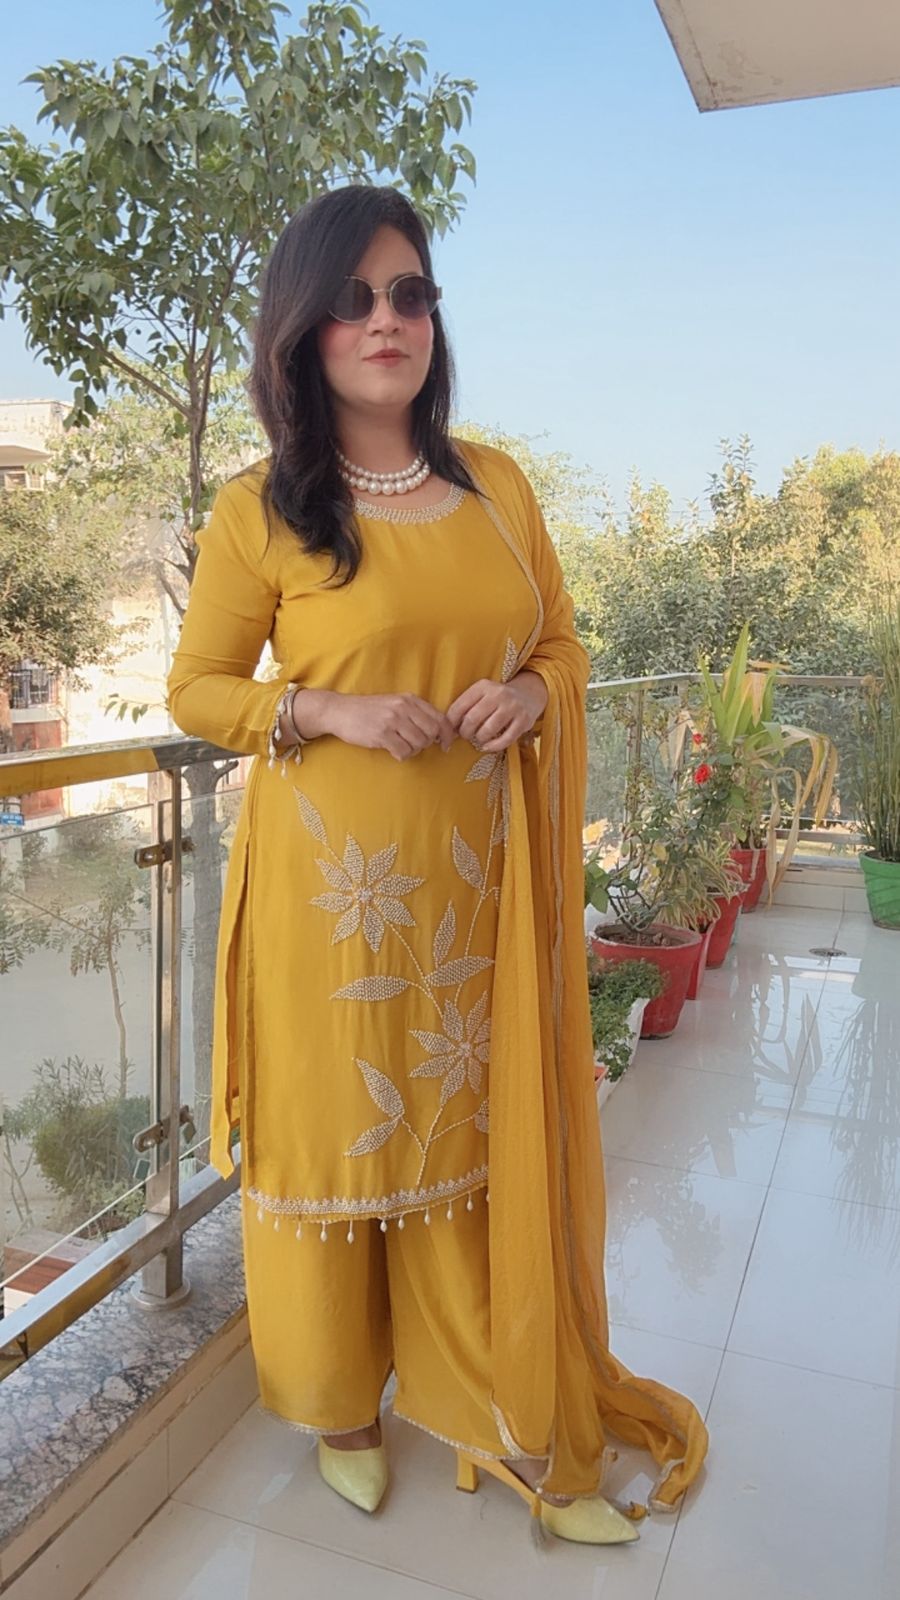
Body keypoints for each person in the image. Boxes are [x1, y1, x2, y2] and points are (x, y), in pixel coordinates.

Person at [166, 183, 709, 1550]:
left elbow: (562, 645)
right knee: (339, 1145)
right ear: (304, 327)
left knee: (471, 1142)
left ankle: (498, 1409)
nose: (386, 320)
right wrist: (325, 708)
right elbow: (199, 688)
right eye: (353, 299)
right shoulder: (263, 509)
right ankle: (342, 1410)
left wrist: (529, 694)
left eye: (409, 293)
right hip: (329, 900)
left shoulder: (497, 488)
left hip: (479, 893)